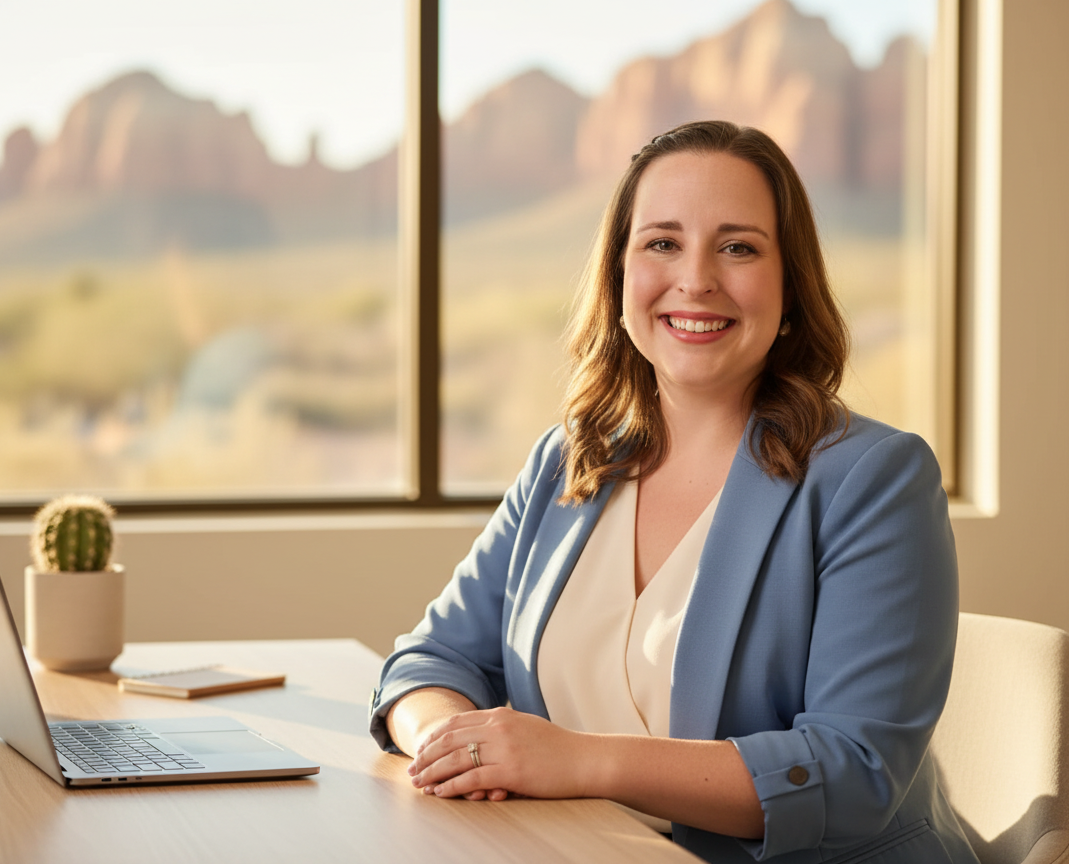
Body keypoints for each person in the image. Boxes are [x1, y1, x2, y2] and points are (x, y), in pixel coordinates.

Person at [369, 120, 979, 864]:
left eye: (739, 247)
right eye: (662, 242)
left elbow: (853, 773)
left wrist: (576, 760)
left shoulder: (874, 479)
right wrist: (451, 747)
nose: (696, 279)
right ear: (619, 277)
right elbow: (429, 661)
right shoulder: (568, 460)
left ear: (791, 286)